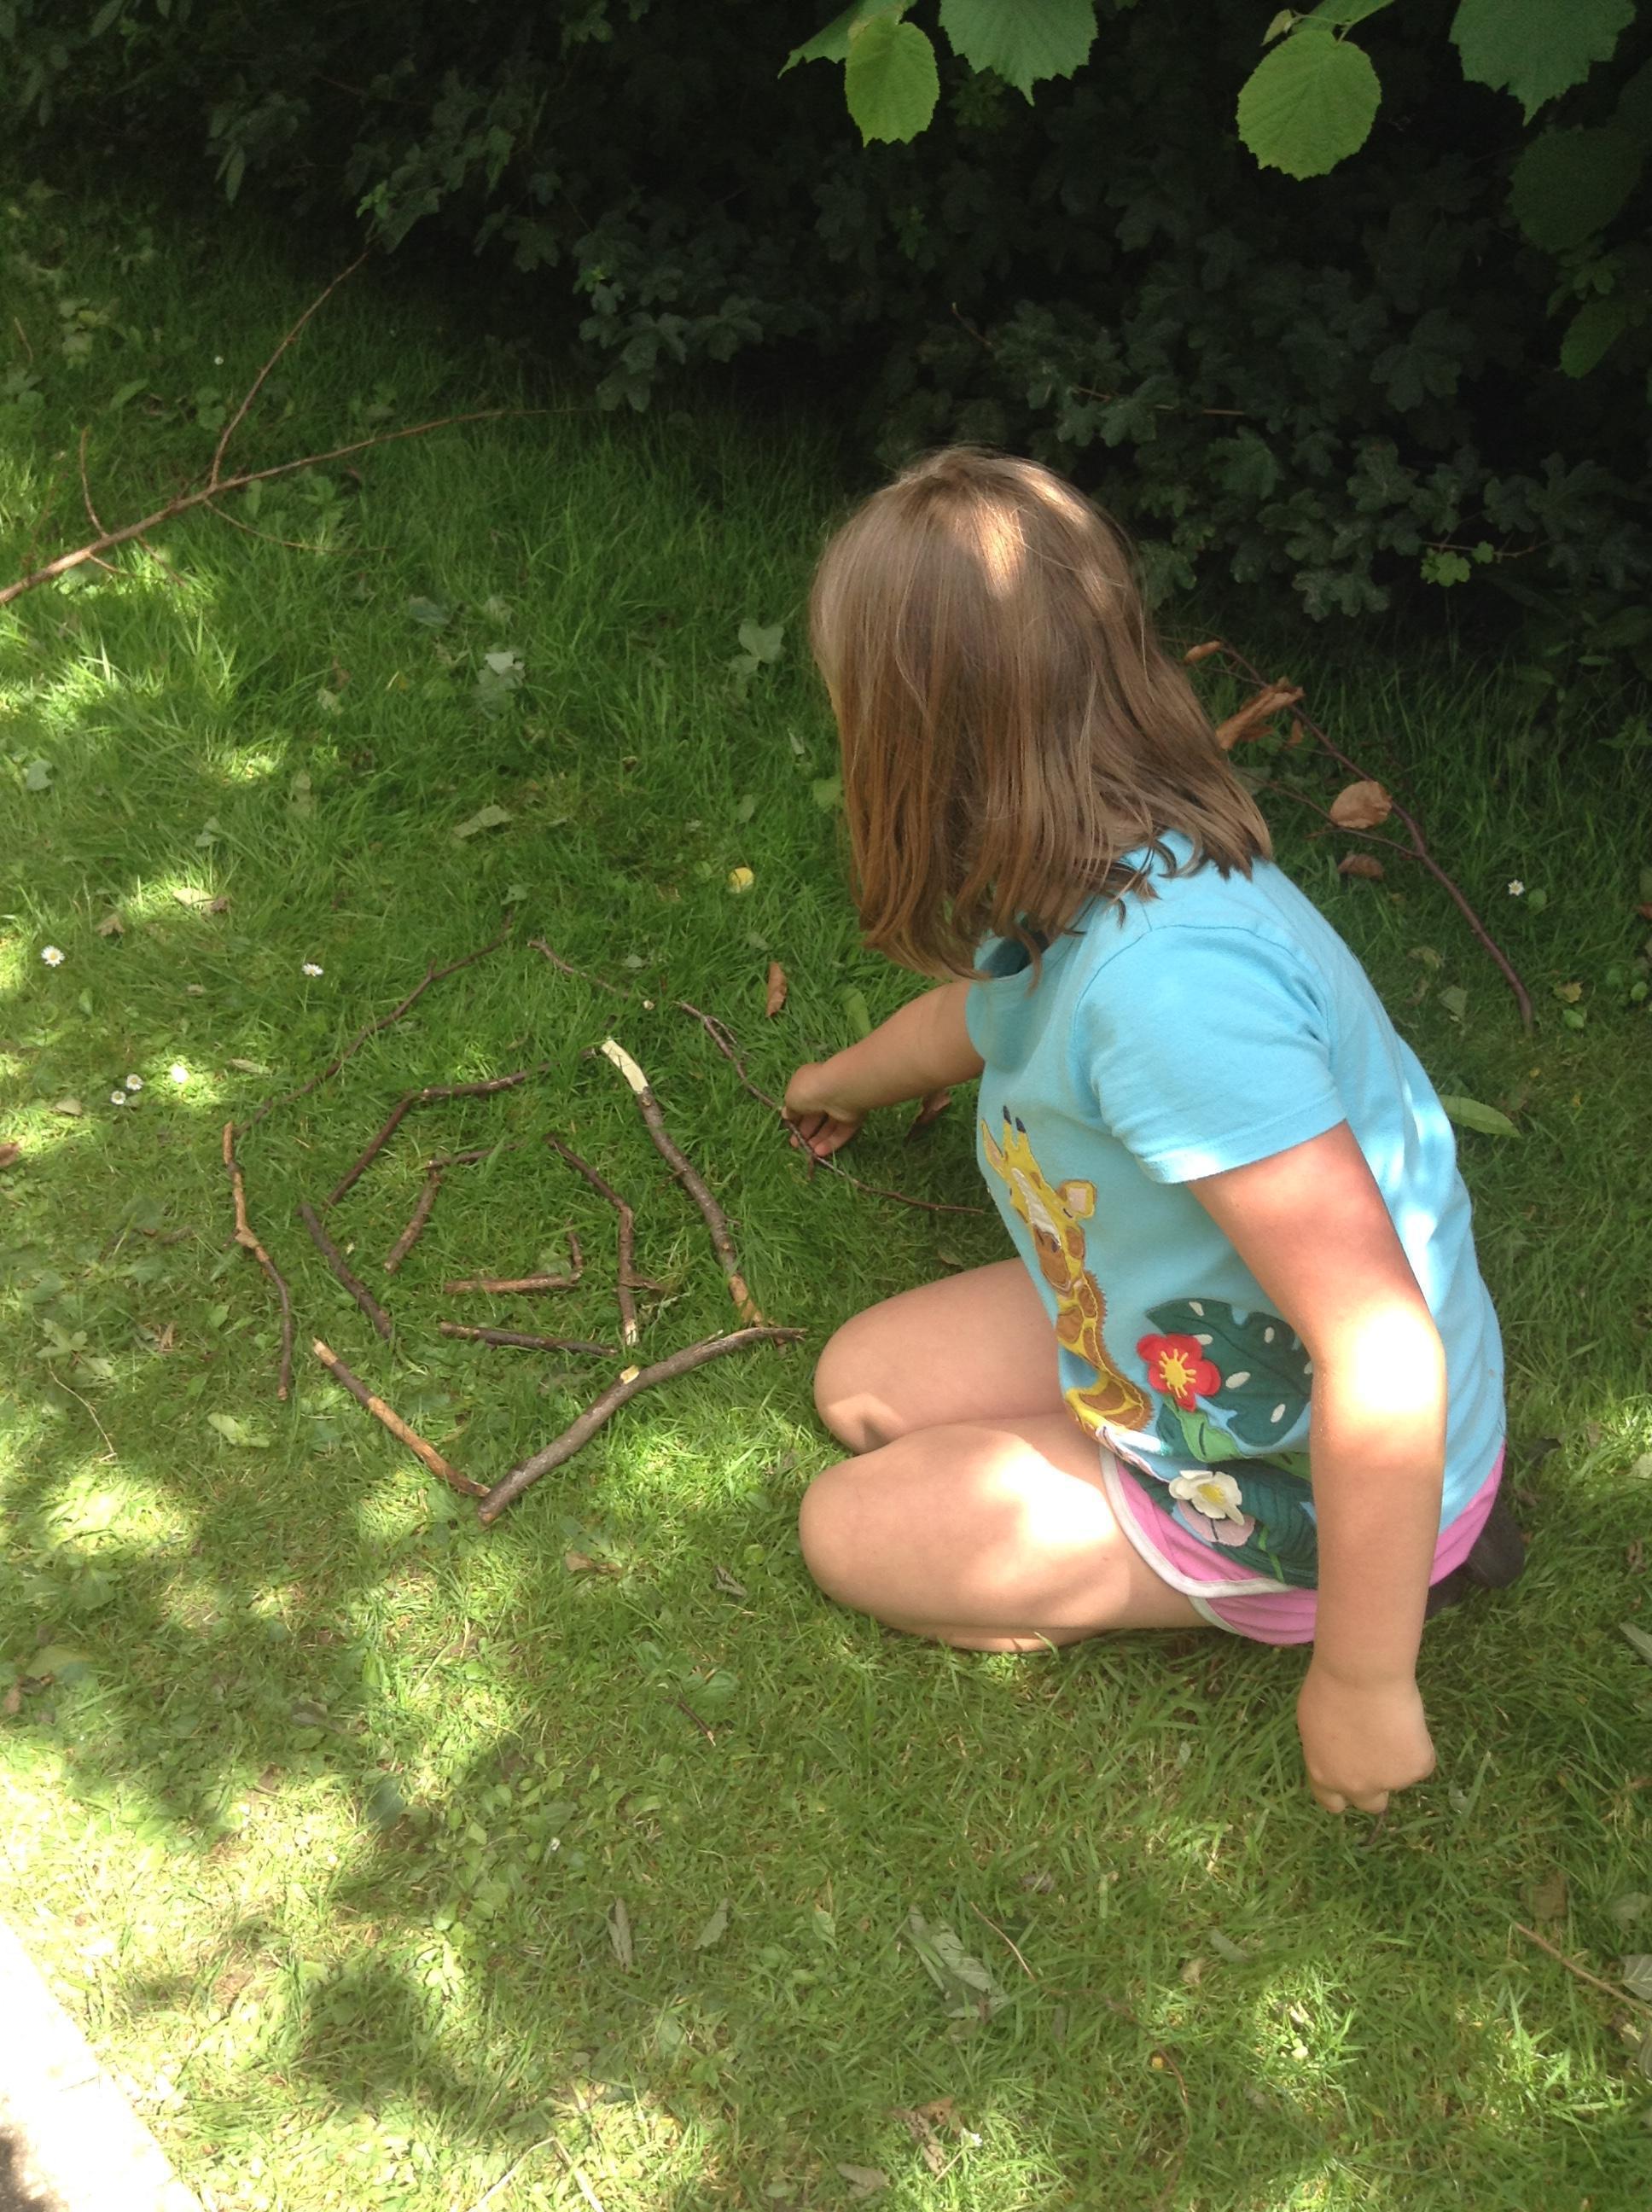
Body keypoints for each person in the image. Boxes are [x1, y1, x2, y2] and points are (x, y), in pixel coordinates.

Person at [782, 447, 1521, 1817]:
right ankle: (1111, 1476)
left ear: (912, 747)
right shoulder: (1091, 858)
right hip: (1178, 1328)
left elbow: (1380, 1346)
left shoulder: (1176, 999)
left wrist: (1365, 1681)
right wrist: (833, 1078)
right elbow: (976, 1017)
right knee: (860, 1385)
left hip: (1306, 1468)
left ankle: (1250, 1576)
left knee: (850, 1530)